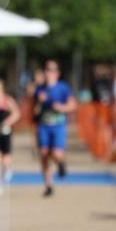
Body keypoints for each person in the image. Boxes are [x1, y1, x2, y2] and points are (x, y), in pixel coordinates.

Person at [34, 59, 76, 196]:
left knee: (56, 154)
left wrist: (61, 108)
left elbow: (73, 105)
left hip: (58, 125)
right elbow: (34, 110)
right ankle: (48, 185)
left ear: (57, 73)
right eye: (47, 69)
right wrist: (38, 102)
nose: (49, 73)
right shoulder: (40, 89)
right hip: (44, 126)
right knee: (44, 154)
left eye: (52, 70)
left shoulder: (62, 87)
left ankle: (61, 164)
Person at [0, 78, 21, 196]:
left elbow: (17, 113)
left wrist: (8, 122)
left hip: (6, 132)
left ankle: (7, 170)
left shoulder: (7, 100)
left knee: (5, 159)